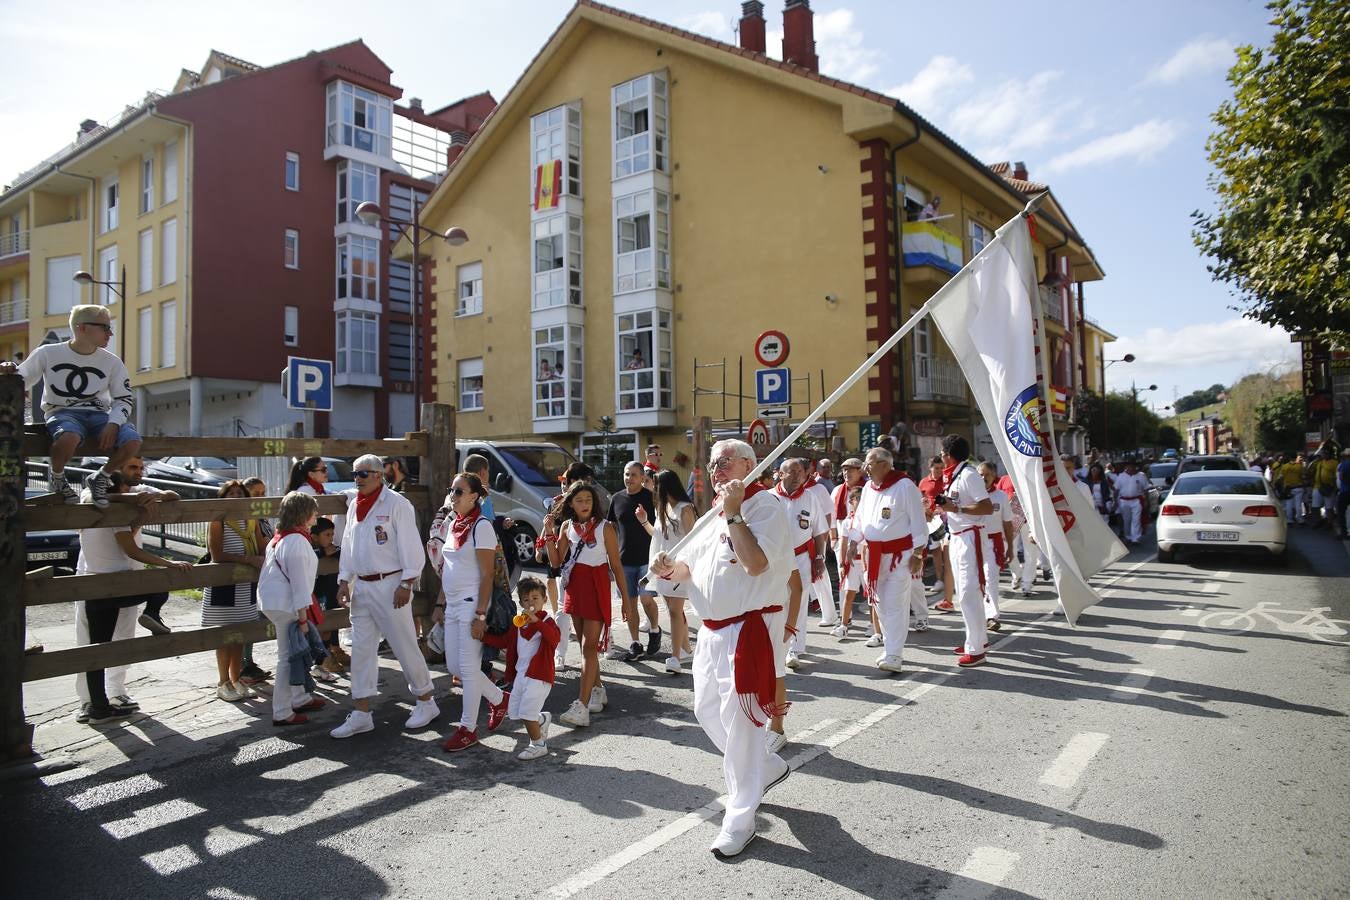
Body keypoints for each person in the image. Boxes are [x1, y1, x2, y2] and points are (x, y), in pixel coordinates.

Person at [649, 438, 792, 859]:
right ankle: (765, 767)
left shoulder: (765, 506)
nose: (716, 470)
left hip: (747, 628)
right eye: (711, 464)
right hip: (711, 630)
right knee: (706, 711)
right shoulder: (711, 513)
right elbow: (688, 568)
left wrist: (734, 513)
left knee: (743, 724)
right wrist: (667, 567)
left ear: (749, 465)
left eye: (724, 462)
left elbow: (756, 564)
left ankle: (740, 816)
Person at [330, 454, 440, 739]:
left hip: (390, 583)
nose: (357, 479)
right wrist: (344, 580)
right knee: (362, 650)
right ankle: (361, 712)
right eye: (355, 474)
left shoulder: (397, 504)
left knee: (404, 644)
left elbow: (411, 546)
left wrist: (407, 583)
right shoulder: (354, 505)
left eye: (363, 474)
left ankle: (427, 700)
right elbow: (349, 548)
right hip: (362, 587)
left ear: (379, 475)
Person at [73, 471, 191, 725]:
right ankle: (152, 612)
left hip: (93, 585)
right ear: (120, 488)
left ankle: (98, 708)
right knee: (159, 584)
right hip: (118, 584)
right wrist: (168, 563)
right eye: (128, 487)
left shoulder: (87, 506)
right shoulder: (115, 512)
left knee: (97, 648)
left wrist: (137, 517)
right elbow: (131, 550)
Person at [1, 304, 139, 507]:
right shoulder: (47, 353)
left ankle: (100, 477)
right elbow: (22, 377)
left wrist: (114, 422)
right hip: (62, 412)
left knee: (133, 441)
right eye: (104, 327)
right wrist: (7, 369)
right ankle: (58, 478)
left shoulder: (113, 362)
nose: (110, 333)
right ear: (82, 327)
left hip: (100, 415)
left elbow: (124, 398)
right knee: (69, 436)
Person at [432, 472, 510, 752]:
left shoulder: (482, 526)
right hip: (453, 604)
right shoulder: (454, 524)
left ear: (474, 496)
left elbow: (488, 575)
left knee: (467, 668)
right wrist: (440, 602)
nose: (453, 495)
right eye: (451, 490)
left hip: (471, 605)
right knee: (455, 667)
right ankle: (500, 699)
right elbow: (446, 568)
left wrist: (480, 616)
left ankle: (468, 728)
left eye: (458, 491)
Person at [545, 481, 630, 728]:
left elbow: (616, 566)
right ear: (570, 503)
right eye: (579, 500)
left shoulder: (606, 528)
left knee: (588, 646)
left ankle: (581, 706)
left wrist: (626, 600)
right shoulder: (566, 527)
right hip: (574, 586)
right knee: (586, 647)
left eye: (588, 500)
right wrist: (549, 532)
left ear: (594, 503)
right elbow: (556, 560)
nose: (584, 504)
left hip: (596, 585)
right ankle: (598, 690)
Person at [842, 448, 926, 673]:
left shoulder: (905, 486)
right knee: (879, 603)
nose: (865, 468)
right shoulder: (869, 487)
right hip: (874, 555)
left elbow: (918, 522)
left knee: (895, 603)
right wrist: (853, 542)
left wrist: (918, 554)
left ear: (884, 464)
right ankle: (890, 646)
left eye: (869, 463)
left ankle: (895, 654)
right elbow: (860, 518)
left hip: (901, 556)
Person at [257, 491, 329, 726]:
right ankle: (282, 711)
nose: (316, 514)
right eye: (313, 510)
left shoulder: (281, 537)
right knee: (288, 657)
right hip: (288, 604)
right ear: (304, 514)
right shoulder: (297, 540)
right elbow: (300, 583)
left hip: (275, 602)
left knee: (292, 653)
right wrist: (302, 618)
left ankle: (299, 698)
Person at [203, 480, 267, 702]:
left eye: (240, 493)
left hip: (245, 584)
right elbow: (217, 555)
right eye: (231, 493)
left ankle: (236, 677)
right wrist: (248, 559)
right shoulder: (217, 520)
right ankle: (223, 682)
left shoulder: (252, 521)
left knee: (240, 635)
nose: (236, 496)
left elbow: (261, 548)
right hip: (224, 583)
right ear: (223, 497)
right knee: (225, 636)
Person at [936, 435, 994, 668]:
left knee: (970, 592)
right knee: (964, 593)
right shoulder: (955, 475)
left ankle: (976, 649)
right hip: (958, 535)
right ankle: (977, 640)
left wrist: (956, 507)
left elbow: (987, 507)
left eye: (942, 452)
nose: (941, 457)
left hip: (971, 535)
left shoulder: (968, 474)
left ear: (948, 454)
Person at [774, 458, 829, 670]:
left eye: (801, 472)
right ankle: (776, 643)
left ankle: (794, 649)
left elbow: (818, 532)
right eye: (792, 472)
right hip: (775, 560)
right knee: (776, 602)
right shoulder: (768, 498)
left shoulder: (811, 498)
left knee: (799, 601)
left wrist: (819, 558)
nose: (798, 476)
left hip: (801, 558)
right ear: (780, 474)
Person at [641, 469, 697, 673]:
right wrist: (644, 520)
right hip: (661, 566)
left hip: (678, 567)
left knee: (674, 611)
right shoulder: (662, 508)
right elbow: (657, 535)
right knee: (675, 610)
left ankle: (675, 657)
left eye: (656, 486)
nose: (653, 489)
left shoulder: (685, 508)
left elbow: (693, 538)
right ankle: (685, 650)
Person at [606, 461, 662, 661]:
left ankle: (655, 630)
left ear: (642, 478)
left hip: (648, 560)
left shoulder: (651, 498)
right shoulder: (617, 498)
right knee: (630, 605)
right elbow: (611, 527)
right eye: (626, 474)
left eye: (633, 475)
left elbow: (661, 527)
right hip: (624, 560)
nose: (629, 478)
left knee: (647, 599)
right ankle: (635, 643)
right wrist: (610, 556)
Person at [502, 576, 561, 760]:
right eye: (526, 600)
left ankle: (538, 744)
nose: (531, 603)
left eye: (535, 598)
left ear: (544, 599)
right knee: (516, 712)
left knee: (527, 713)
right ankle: (541, 719)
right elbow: (508, 643)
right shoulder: (520, 623)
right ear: (521, 602)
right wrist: (482, 637)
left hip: (539, 675)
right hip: (522, 674)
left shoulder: (547, 621)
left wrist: (537, 621)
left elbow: (554, 639)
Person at [829, 458, 864, 638]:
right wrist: (833, 538)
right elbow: (832, 515)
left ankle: (877, 625)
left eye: (851, 470)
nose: (847, 473)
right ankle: (845, 619)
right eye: (844, 470)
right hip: (843, 535)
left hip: (864, 540)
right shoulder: (837, 490)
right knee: (845, 579)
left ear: (861, 471)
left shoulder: (868, 489)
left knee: (869, 584)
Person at [978, 462, 1015, 633]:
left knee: (991, 577)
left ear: (994, 477)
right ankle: (979, 614)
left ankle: (992, 616)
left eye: (987, 475)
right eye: (980, 474)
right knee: (975, 581)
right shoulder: (971, 495)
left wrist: (1010, 547)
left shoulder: (1000, 497)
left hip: (993, 543)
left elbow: (1007, 524)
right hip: (974, 541)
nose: (983, 478)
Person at [311, 517, 349, 677]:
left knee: (330, 625)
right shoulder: (308, 550)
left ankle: (329, 653)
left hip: (330, 593)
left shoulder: (334, 550)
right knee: (321, 628)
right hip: (316, 595)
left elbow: (342, 553)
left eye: (332, 534)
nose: (331, 538)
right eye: (327, 535)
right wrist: (322, 553)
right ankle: (322, 658)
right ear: (314, 537)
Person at [803, 461, 838, 628]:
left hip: (816, 539)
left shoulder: (818, 489)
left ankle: (830, 615)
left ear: (808, 471)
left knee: (820, 577)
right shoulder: (789, 490)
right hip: (798, 541)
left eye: (800, 470)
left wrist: (824, 539)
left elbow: (828, 515)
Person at [1113, 459, 1149, 545]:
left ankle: (1135, 538)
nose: (1131, 467)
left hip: (1136, 500)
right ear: (1126, 467)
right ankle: (1128, 536)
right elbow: (1116, 490)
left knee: (1136, 519)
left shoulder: (1141, 476)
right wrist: (1115, 501)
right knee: (1127, 520)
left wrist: (1146, 501)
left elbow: (1146, 489)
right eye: (1129, 465)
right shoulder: (1121, 476)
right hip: (1124, 501)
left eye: (1132, 465)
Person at [1279, 454, 1306, 524]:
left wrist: (1282, 487)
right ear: (1296, 457)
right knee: (1298, 505)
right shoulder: (1299, 466)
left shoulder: (1284, 467)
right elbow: (1303, 477)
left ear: (1289, 457)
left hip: (1288, 488)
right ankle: (1299, 519)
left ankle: (1289, 520)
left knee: (1289, 505)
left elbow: (1281, 478)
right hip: (1298, 488)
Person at [1335, 447, 1350, 540]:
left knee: (1341, 512)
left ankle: (1344, 533)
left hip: (1345, 491)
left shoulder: (1343, 465)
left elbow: (1340, 477)